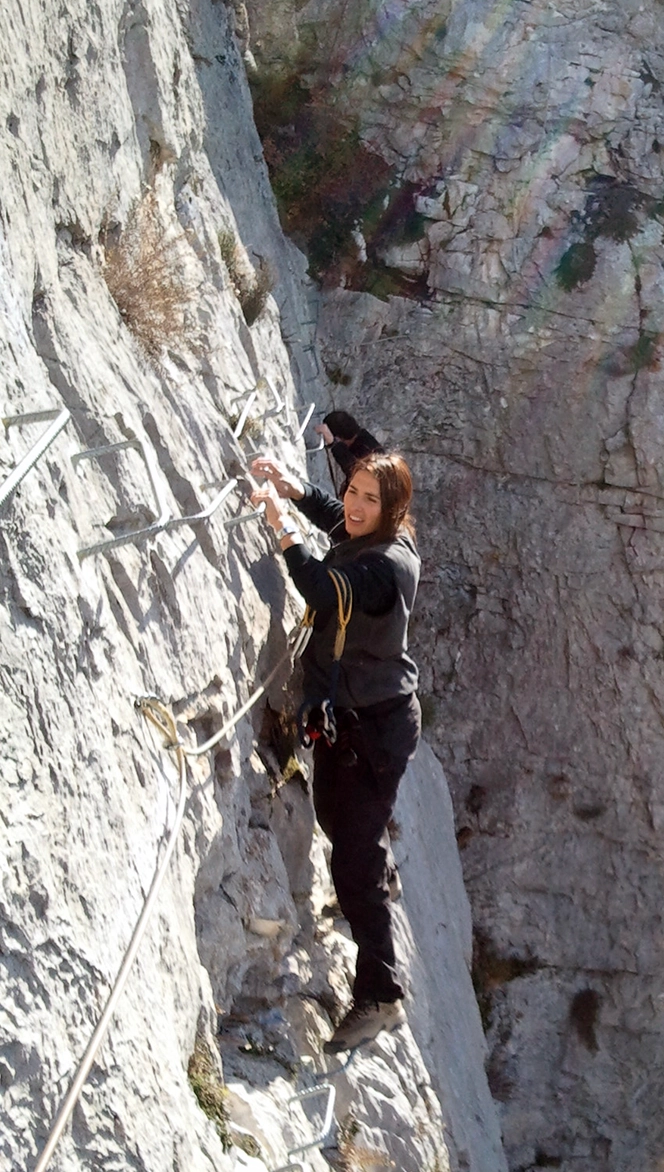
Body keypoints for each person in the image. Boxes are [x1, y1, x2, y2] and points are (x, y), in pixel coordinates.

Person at [250, 450, 420, 1054]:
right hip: (354, 718)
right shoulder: (372, 536)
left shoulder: (386, 570)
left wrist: (280, 525)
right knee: (335, 818)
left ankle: (381, 995)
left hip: (374, 730)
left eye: (370, 498)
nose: (354, 503)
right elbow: (342, 525)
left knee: (352, 860)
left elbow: (323, 589)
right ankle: (375, 864)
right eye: (352, 489)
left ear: (393, 509)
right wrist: (298, 492)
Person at [314, 410, 383, 489]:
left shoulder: (368, 450)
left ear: (339, 438)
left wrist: (334, 443)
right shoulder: (365, 439)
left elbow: (354, 471)